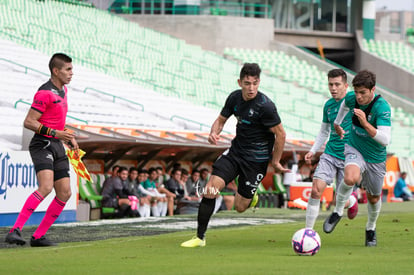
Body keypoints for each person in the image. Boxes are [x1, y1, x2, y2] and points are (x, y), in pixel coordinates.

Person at [181, 63, 289, 248]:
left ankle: (251, 195)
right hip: (235, 153)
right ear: (240, 82)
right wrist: (213, 132)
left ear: (259, 82)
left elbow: (281, 134)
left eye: (255, 83)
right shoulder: (234, 98)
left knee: (239, 207)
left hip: (256, 162)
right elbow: (221, 120)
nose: (251, 88)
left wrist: (276, 161)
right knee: (210, 190)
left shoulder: (266, 106)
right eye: (247, 83)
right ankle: (200, 237)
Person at [5, 53, 78, 247]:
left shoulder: (63, 91)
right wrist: (56, 133)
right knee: (45, 187)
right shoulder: (44, 93)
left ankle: (38, 237)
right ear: (56, 71)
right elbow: (29, 122)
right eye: (68, 69)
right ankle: (14, 230)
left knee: (65, 193)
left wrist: (68, 137)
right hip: (42, 144)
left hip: (56, 143)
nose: (72, 73)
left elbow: (54, 121)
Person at [323, 70, 391, 247]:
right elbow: (344, 106)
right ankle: (337, 212)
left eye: (363, 93)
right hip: (355, 148)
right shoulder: (352, 98)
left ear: (372, 89)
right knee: (350, 177)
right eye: (357, 92)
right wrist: (337, 124)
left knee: (374, 197)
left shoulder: (382, 107)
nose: (358, 97)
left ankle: (370, 228)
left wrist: (365, 123)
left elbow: (385, 140)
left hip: (375, 157)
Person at [304, 69, 358, 230]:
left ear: (346, 86)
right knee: (315, 190)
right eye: (330, 84)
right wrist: (313, 150)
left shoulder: (355, 101)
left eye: (337, 84)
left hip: (350, 157)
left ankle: (352, 201)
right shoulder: (328, 105)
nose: (333, 88)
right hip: (330, 154)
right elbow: (324, 131)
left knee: (341, 201)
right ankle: (308, 232)